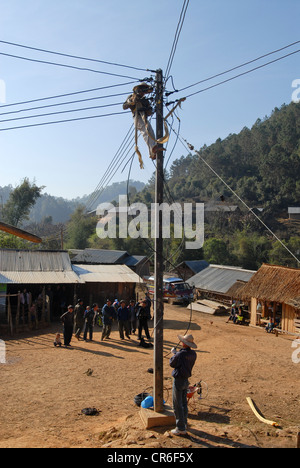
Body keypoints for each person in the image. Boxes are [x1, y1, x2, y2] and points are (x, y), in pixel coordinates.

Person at [123, 83, 163, 162]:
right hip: (137, 117)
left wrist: (148, 109)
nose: (143, 93)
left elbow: (149, 112)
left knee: (150, 131)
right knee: (146, 130)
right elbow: (124, 106)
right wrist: (132, 102)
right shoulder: (132, 97)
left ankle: (152, 152)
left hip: (143, 118)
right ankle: (153, 148)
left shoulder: (145, 100)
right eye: (142, 90)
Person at [169, 334, 197, 436]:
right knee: (184, 403)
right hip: (186, 380)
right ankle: (184, 423)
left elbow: (173, 363)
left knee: (177, 404)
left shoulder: (180, 354)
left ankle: (180, 428)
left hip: (179, 380)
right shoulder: (193, 354)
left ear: (184, 343)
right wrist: (176, 353)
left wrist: (174, 354)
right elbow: (182, 360)